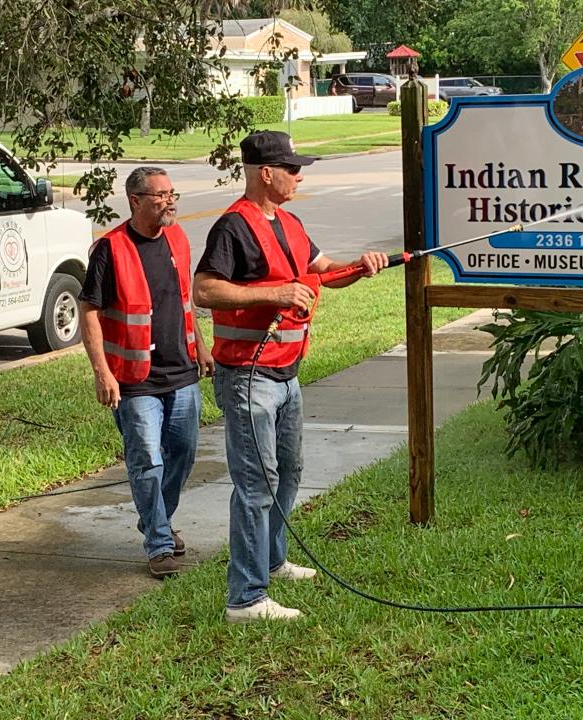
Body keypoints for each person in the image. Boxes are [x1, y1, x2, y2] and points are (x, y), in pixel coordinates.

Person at [192, 131, 389, 622]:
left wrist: (361, 268)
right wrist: (274, 296)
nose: (300, 176)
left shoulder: (292, 223)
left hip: (287, 376)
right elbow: (204, 291)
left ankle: (274, 561)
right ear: (265, 173)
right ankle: (246, 597)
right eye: (292, 168)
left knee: (290, 471)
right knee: (257, 483)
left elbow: (322, 271)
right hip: (248, 376)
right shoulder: (233, 228)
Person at [80, 166, 213, 579]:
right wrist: (102, 373)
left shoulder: (176, 238)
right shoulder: (110, 249)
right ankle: (158, 542)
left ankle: (155, 517)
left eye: (172, 193)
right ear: (135, 201)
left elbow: (185, 302)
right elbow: (89, 312)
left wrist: (202, 347)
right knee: (146, 461)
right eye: (160, 195)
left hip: (182, 371)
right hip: (135, 379)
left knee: (185, 453)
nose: (169, 201)